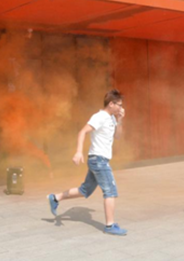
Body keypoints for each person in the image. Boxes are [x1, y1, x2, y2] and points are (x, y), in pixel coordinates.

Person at [47, 89, 127, 236]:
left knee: (85, 190)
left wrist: (120, 120)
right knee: (110, 191)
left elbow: (118, 137)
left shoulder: (111, 118)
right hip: (99, 160)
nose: (121, 108)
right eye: (119, 105)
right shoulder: (100, 116)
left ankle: (55, 198)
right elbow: (82, 132)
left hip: (99, 160)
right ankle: (110, 225)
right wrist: (78, 152)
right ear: (111, 104)